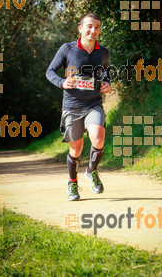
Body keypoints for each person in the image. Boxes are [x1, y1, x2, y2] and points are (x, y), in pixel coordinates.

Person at [46, 13, 111, 201]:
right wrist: (62, 82)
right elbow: (50, 71)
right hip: (72, 105)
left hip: (93, 103)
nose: (93, 30)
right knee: (76, 149)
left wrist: (107, 83)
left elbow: (105, 72)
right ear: (80, 28)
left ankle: (91, 171)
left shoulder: (103, 52)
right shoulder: (68, 49)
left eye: (97, 27)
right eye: (90, 26)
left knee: (98, 138)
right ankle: (72, 183)